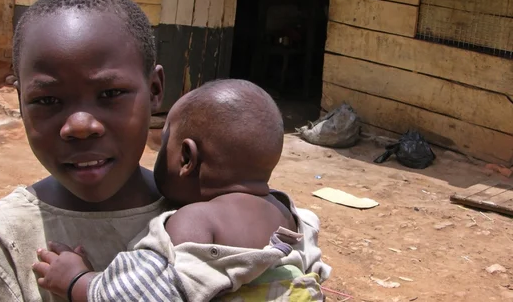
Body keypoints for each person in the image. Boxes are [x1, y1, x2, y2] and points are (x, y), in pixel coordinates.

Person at [33, 79, 331, 302]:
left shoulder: (196, 221)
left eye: (165, 143)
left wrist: (78, 281)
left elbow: (137, 295)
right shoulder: (290, 216)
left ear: (187, 158)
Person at [0, 0, 167, 301]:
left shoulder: (202, 218)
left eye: (110, 94)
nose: (80, 126)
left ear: (154, 91)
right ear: (20, 102)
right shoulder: (4, 238)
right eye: (48, 100)